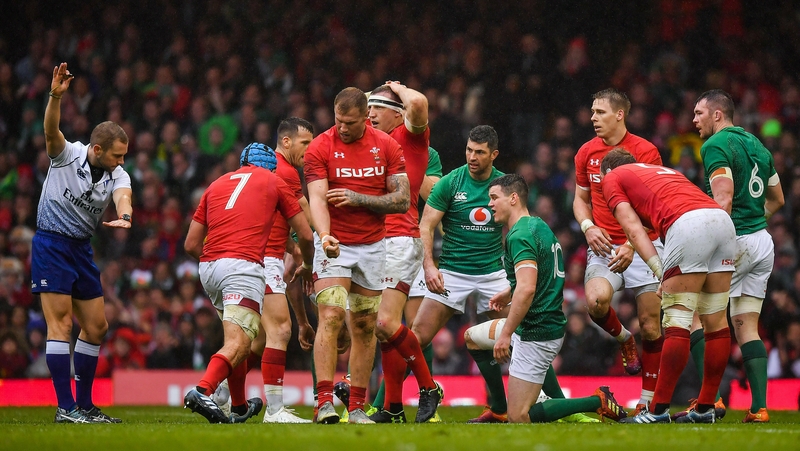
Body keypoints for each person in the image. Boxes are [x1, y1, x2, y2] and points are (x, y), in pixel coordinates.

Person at [600, 149, 737, 424]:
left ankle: (657, 410)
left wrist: (660, 272)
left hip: (688, 225)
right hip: (721, 221)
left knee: (678, 320)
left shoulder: (612, 177)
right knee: (716, 321)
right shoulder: (665, 173)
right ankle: (706, 409)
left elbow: (634, 230)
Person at [182, 143, 314, 424]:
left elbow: (191, 243)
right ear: (270, 166)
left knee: (240, 340)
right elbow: (306, 234)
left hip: (209, 267)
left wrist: (216, 261)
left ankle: (239, 406)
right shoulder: (274, 180)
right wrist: (309, 264)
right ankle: (203, 389)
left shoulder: (216, 184)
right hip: (243, 266)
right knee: (242, 342)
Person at [484, 174, 628, 424]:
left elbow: (528, 289)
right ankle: (572, 410)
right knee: (474, 339)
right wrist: (509, 292)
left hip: (536, 329)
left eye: (494, 198)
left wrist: (506, 333)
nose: (490, 204)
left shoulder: (518, 236)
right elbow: (540, 274)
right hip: (547, 322)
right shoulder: (538, 225)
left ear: (514, 198)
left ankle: (597, 401)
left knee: (519, 416)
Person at [304, 87, 410, 424]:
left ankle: (358, 407)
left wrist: (360, 198)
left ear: (367, 118)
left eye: (350, 122)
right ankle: (323, 403)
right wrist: (324, 235)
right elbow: (318, 199)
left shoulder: (387, 146)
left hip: (373, 246)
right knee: (332, 315)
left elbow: (402, 200)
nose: (343, 128)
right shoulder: (321, 146)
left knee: (365, 326)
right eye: (339, 120)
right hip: (335, 243)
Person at [36, 62, 132, 424]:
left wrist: (125, 214)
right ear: (96, 148)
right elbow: (50, 133)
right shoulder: (68, 154)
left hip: (80, 247)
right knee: (60, 325)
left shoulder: (116, 173)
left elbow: (124, 195)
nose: (122, 161)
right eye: (117, 155)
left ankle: (86, 407)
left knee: (96, 327)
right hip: (51, 243)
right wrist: (55, 98)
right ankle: (65, 408)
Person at [693, 89, 784, 423]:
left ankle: (711, 401)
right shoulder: (757, 145)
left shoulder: (715, 146)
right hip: (761, 241)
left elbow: (723, 200)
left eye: (699, 113)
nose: (694, 120)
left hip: (736, 242)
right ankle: (759, 408)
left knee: (690, 315)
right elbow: (777, 198)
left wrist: (710, 245)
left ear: (718, 114)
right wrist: (754, 222)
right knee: (746, 325)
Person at [411, 125, 511, 423]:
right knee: (416, 337)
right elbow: (425, 226)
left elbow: (519, 227)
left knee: (524, 334)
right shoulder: (451, 182)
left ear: (493, 154)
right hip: (452, 272)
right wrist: (430, 265)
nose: (472, 157)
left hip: (494, 273)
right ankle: (385, 405)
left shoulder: (504, 185)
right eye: (469, 150)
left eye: (480, 152)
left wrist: (516, 278)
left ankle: (506, 407)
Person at [572, 88, 664, 412]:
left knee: (652, 325)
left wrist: (631, 244)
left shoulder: (646, 151)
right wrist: (588, 227)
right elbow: (580, 200)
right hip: (604, 246)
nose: (593, 118)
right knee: (596, 304)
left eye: (600, 112)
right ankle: (625, 339)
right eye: (593, 112)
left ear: (619, 115)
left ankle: (647, 402)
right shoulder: (586, 152)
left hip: (645, 244)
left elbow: (654, 207)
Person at [363, 82, 440, 423]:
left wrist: (399, 88)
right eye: (368, 107)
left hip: (400, 237)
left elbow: (420, 103)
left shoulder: (410, 139)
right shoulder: (368, 142)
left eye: (378, 107)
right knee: (382, 329)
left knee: (385, 322)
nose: (370, 114)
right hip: (371, 240)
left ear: (398, 113)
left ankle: (428, 387)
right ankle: (393, 406)